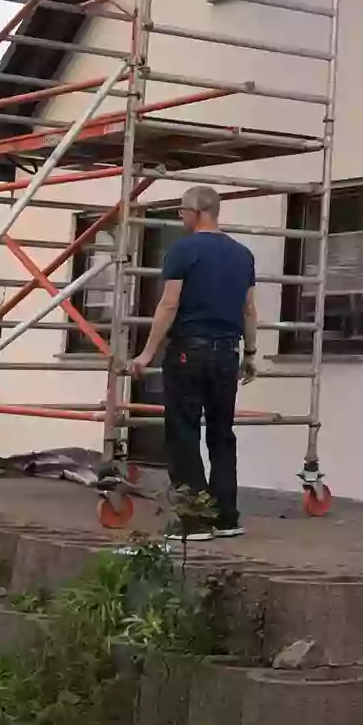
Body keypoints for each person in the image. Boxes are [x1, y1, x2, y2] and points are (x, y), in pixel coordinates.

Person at [129, 185, 259, 540]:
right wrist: (250, 354)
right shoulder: (242, 255)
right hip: (227, 354)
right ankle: (226, 518)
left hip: (189, 351)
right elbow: (249, 308)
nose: (179, 217)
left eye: (181, 210)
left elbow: (169, 304)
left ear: (198, 211)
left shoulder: (182, 250)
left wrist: (146, 353)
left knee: (184, 432)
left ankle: (194, 519)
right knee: (221, 433)